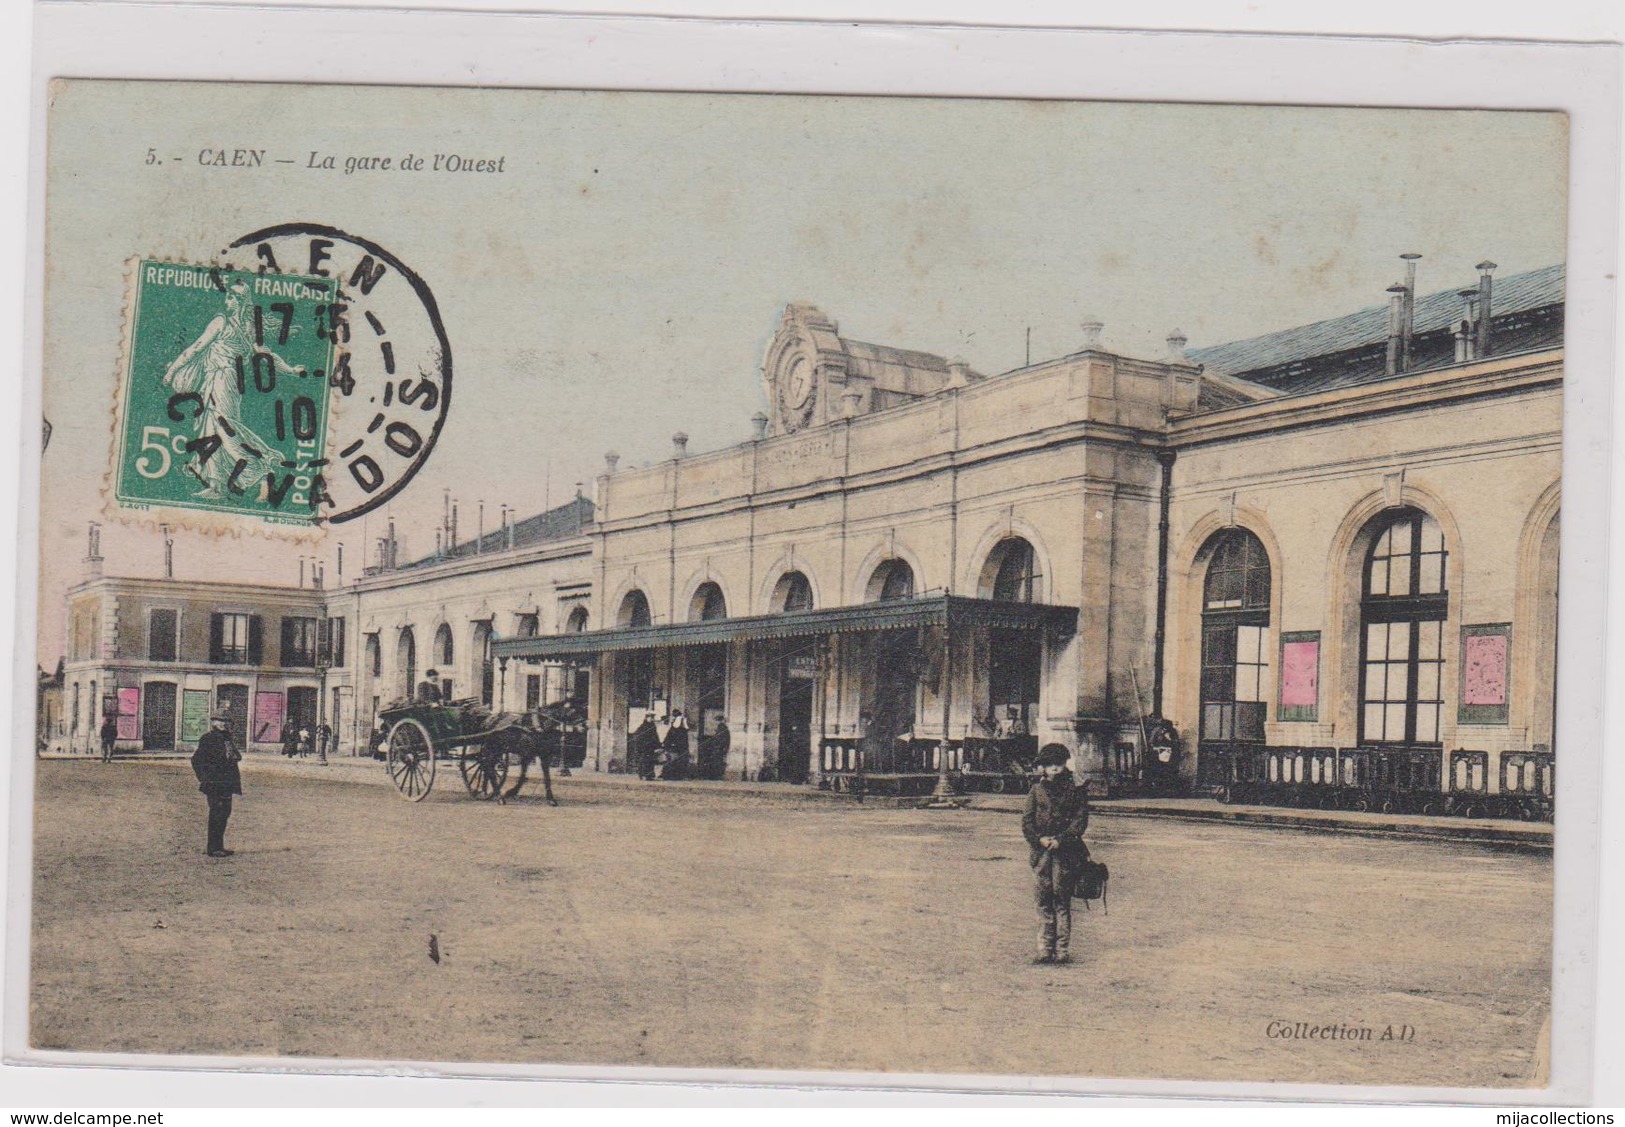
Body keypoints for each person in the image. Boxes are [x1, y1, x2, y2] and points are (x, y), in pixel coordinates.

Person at [161, 279, 296, 500]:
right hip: (227, 382)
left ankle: (262, 468)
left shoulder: (222, 323)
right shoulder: (246, 332)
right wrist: (289, 370)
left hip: (222, 380)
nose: (229, 300)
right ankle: (217, 485)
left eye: (234, 298)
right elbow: (266, 355)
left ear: (242, 302)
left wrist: (170, 372)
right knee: (212, 429)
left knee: (224, 429)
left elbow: (195, 349)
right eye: (229, 296)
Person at [1021, 743, 1091, 965]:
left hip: (1066, 853)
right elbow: (1027, 821)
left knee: (1062, 901)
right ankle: (1044, 949)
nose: (1054, 768)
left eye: (1058, 764)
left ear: (1064, 764)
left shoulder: (1076, 790)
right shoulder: (1036, 790)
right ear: (1042, 767)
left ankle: (1061, 950)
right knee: (1043, 900)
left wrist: (1061, 840)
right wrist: (1039, 839)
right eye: (1049, 764)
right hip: (1041, 854)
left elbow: (1080, 821)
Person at [190, 711, 243, 858]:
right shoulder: (208, 738)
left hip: (227, 783)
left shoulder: (227, 739)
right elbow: (196, 760)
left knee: (225, 813)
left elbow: (235, 756)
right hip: (214, 783)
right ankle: (213, 848)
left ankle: (219, 846)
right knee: (216, 814)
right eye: (220, 721)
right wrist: (204, 779)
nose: (223, 724)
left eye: (226, 721)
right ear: (213, 722)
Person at [628, 710, 660, 780]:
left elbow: (655, 736)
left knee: (650, 761)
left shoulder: (653, 726)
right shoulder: (643, 727)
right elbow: (639, 736)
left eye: (653, 717)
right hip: (644, 747)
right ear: (646, 718)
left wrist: (658, 745)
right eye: (650, 717)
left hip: (650, 747)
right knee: (644, 761)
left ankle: (649, 775)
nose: (652, 719)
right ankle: (643, 774)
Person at [661, 709, 692, 781]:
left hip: (675, 747)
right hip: (676, 748)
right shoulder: (681, 728)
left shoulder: (676, 727)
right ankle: (673, 776)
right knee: (675, 761)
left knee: (674, 761)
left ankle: (672, 776)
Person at [703, 716, 731, 780]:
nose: (715, 722)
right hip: (719, 748)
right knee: (718, 761)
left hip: (718, 748)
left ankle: (717, 776)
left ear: (719, 721)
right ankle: (717, 776)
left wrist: (716, 744)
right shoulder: (723, 727)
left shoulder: (721, 727)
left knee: (717, 762)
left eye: (716, 721)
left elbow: (721, 739)